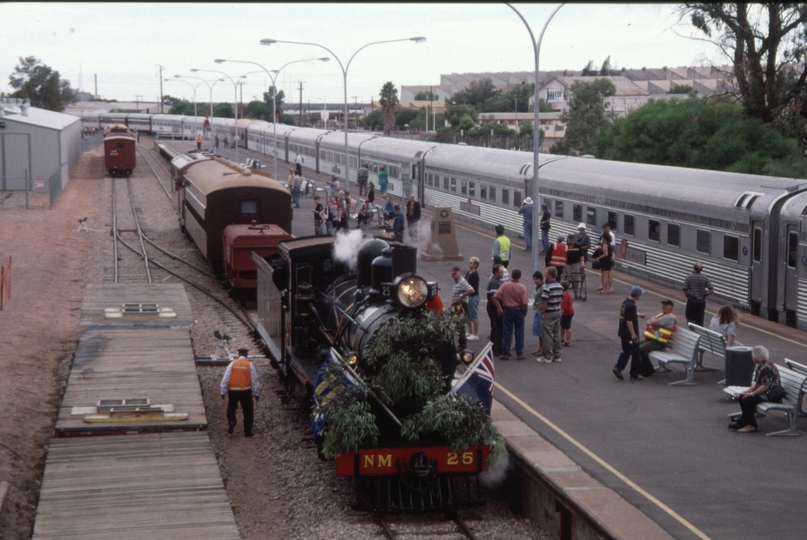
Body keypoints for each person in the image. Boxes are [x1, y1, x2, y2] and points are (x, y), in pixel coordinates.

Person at [731, 346, 781, 432]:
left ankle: (750, 424)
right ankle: (746, 421)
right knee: (743, 397)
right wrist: (747, 391)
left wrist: (752, 394)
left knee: (748, 400)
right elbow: (756, 383)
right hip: (765, 392)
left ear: (755, 357)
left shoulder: (766, 368)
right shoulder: (760, 365)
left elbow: (765, 386)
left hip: (771, 394)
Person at [220, 347, 261, 437]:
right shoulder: (249, 364)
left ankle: (232, 421)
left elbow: (225, 378)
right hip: (246, 391)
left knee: (231, 408)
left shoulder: (232, 364)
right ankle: (247, 432)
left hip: (233, 390)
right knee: (248, 411)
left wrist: (222, 391)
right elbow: (254, 380)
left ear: (238, 355)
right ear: (246, 355)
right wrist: (256, 393)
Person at [492, 268, 530, 361]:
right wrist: (525, 311)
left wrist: (499, 308)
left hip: (508, 310)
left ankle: (506, 353)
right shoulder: (522, 287)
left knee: (507, 331)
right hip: (519, 310)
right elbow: (525, 302)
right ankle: (519, 353)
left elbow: (495, 297)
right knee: (519, 331)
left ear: (512, 275)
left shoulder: (505, 285)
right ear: (520, 276)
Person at [612, 286, 645, 381]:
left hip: (622, 332)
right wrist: (633, 335)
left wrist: (638, 315)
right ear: (638, 295)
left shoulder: (625, 302)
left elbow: (626, 315)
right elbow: (629, 321)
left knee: (626, 351)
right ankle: (634, 374)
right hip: (630, 334)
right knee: (636, 354)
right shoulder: (632, 306)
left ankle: (618, 367)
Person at [639, 299, 676, 375]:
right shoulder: (661, 315)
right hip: (651, 340)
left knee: (641, 350)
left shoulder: (669, 317)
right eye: (663, 305)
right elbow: (648, 322)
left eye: (666, 305)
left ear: (671, 307)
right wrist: (653, 323)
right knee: (634, 346)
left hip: (659, 342)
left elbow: (653, 321)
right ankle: (642, 368)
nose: (663, 306)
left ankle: (648, 369)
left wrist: (653, 322)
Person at [538, 266, 564, 364]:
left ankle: (547, 356)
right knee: (556, 334)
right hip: (557, 311)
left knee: (547, 335)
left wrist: (543, 312)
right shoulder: (560, 286)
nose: (544, 274)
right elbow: (561, 299)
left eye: (545, 272)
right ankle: (557, 355)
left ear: (549, 275)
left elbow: (545, 301)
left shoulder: (547, 287)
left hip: (549, 313)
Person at [683, 262, 714, 327]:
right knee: (699, 320)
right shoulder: (705, 278)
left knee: (690, 318)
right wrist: (705, 295)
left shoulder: (689, 278)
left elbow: (685, 290)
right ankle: (698, 333)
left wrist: (688, 296)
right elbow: (711, 290)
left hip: (691, 301)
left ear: (694, 269)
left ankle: (691, 332)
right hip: (701, 302)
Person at [487, 264, 506, 357]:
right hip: (494, 308)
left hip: (494, 308)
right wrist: (499, 308)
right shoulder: (494, 282)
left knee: (496, 328)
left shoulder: (497, 281)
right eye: (501, 272)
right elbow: (494, 298)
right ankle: (496, 349)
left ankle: (494, 347)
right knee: (497, 328)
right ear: (495, 273)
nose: (502, 273)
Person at [464, 257, 481, 340]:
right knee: (468, 315)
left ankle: (476, 333)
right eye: (469, 262)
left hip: (473, 297)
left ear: (475, 265)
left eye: (471, 263)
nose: (469, 263)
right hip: (468, 296)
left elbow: (471, 287)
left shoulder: (475, 275)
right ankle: (470, 331)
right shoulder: (468, 272)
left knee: (474, 315)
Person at [566, 234, 584, 298]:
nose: (571, 242)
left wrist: (582, 263)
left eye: (572, 240)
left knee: (575, 279)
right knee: (566, 279)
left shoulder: (578, 246)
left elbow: (581, 255)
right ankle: (566, 294)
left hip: (575, 264)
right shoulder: (566, 246)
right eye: (569, 240)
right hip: (567, 264)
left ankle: (576, 293)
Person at [531, 270, 544, 357]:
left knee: (541, 331)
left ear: (541, 279)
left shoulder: (543, 288)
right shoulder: (538, 287)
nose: (535, 281)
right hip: (536, 310)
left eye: (537, 279)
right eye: (534, 279)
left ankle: (542, 349)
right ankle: (540, 348)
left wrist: (541, 308)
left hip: (540, 310)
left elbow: (545, 299)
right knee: (539, 332)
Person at [560, 280, 574, 347]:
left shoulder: (565, 296)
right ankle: (561, 339)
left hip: (567, 313)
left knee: (567, 327)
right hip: (568, 312)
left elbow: (563, 307)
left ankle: (567, 341)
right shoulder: (566, 294)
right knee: (562, 326)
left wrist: (560, 315)